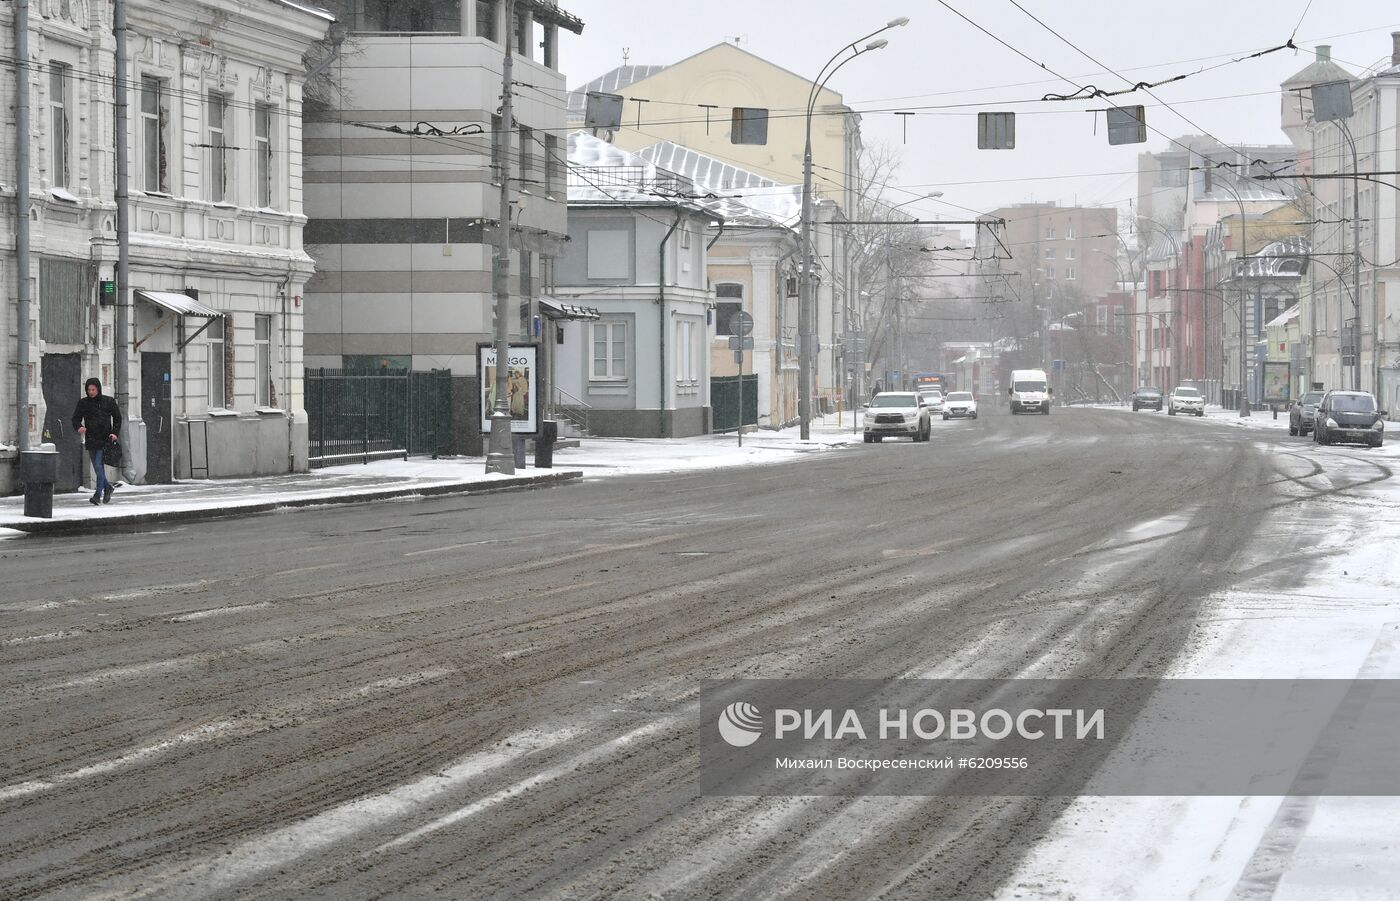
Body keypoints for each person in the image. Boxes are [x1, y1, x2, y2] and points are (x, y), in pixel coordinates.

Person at [71, 377, 123, 505]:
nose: (91, 392)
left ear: (98, 389)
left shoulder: (108, 401)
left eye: (93, 389)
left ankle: (97, 494)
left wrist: (114, 433)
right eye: (89, 390)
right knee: (97, 467)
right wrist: (79, 427)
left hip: (105, 439)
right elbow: (75, 418)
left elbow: (117, 417)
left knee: (99, 466)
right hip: (91, 439)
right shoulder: (83, 403)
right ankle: (108, 488)